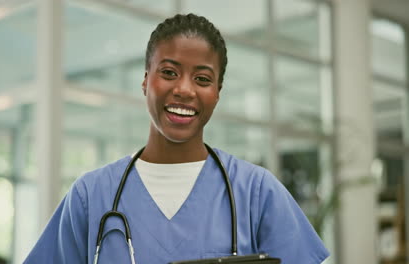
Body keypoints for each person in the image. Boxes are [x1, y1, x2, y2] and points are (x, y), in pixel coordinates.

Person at [24, 13, 329, 264]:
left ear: (217, 93)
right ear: (146, 80)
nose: (184, 89)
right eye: (169, 72)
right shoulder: (90, 197)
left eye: (203, 79)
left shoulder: (257, 193)